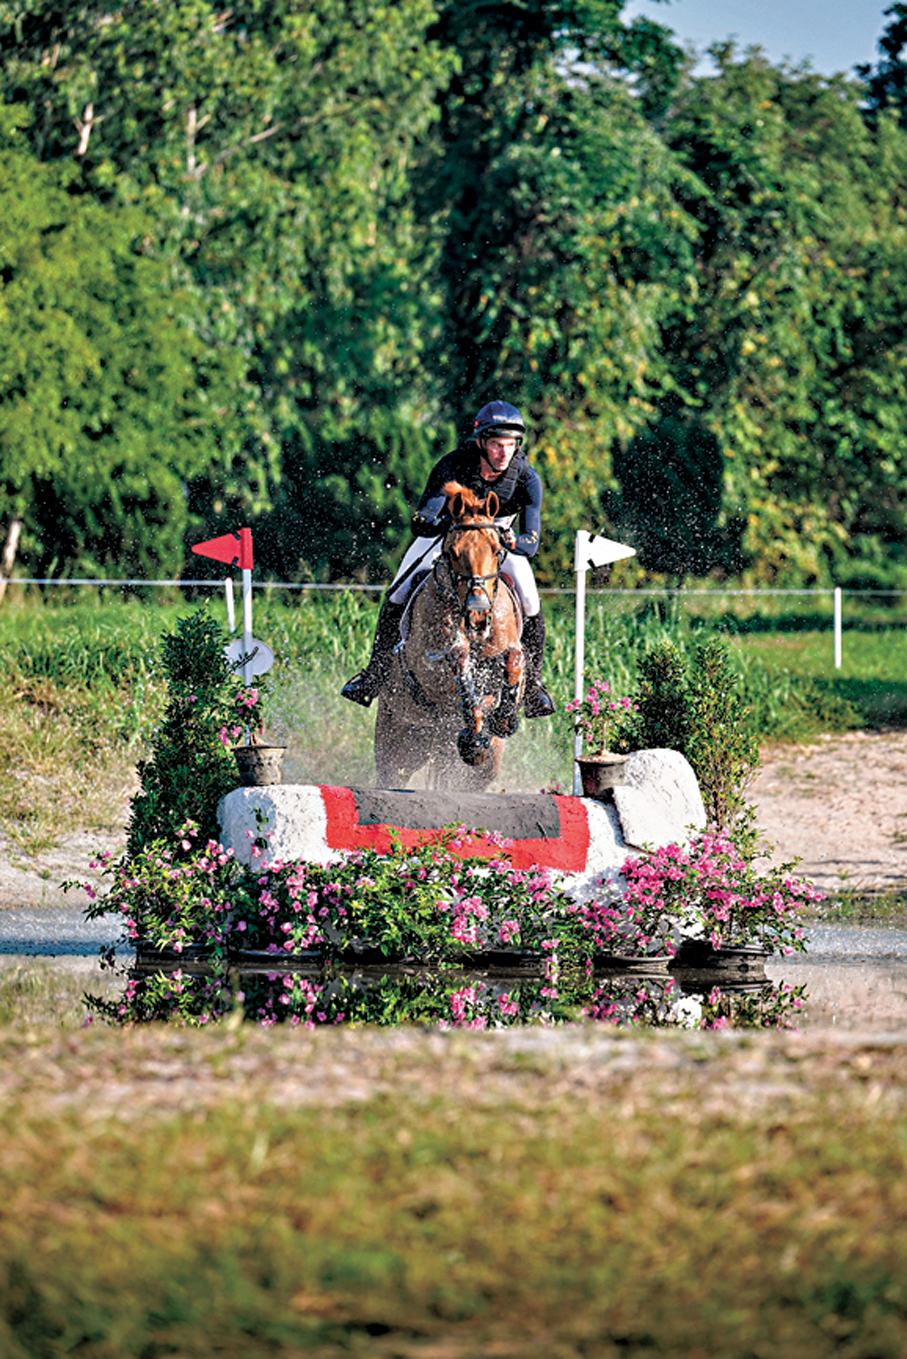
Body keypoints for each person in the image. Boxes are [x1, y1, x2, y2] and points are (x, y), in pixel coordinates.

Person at [341, 400, 556, 718]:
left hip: (496, 542)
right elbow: (421, 521)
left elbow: (531, 542)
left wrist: (511, 539)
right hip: (447, 538)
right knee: (398, 591)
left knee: (530, 599)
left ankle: (534, 686)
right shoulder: (453, 466)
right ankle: (374, 676)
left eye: (511, 445)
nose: (503, 453)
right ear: (481, 442)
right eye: (497, 444)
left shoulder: (526, 477)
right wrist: (453, 525)